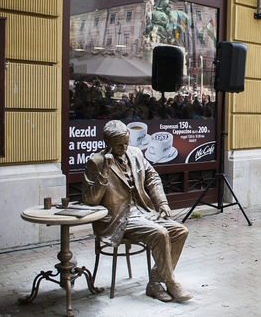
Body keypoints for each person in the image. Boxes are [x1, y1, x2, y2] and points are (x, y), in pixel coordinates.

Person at [82, 120, 192, 303]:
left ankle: (155, 282)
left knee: (180, 231)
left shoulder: (136, 153)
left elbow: (152, 177)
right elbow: (89, 200)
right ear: (107, 144)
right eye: (119, 145)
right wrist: (104, 171)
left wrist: (162, 202)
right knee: (160, 233)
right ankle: (171, 283)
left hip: (143, 212)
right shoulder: (96, 162)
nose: (124, 147)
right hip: (118, 219)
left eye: (126, 142)